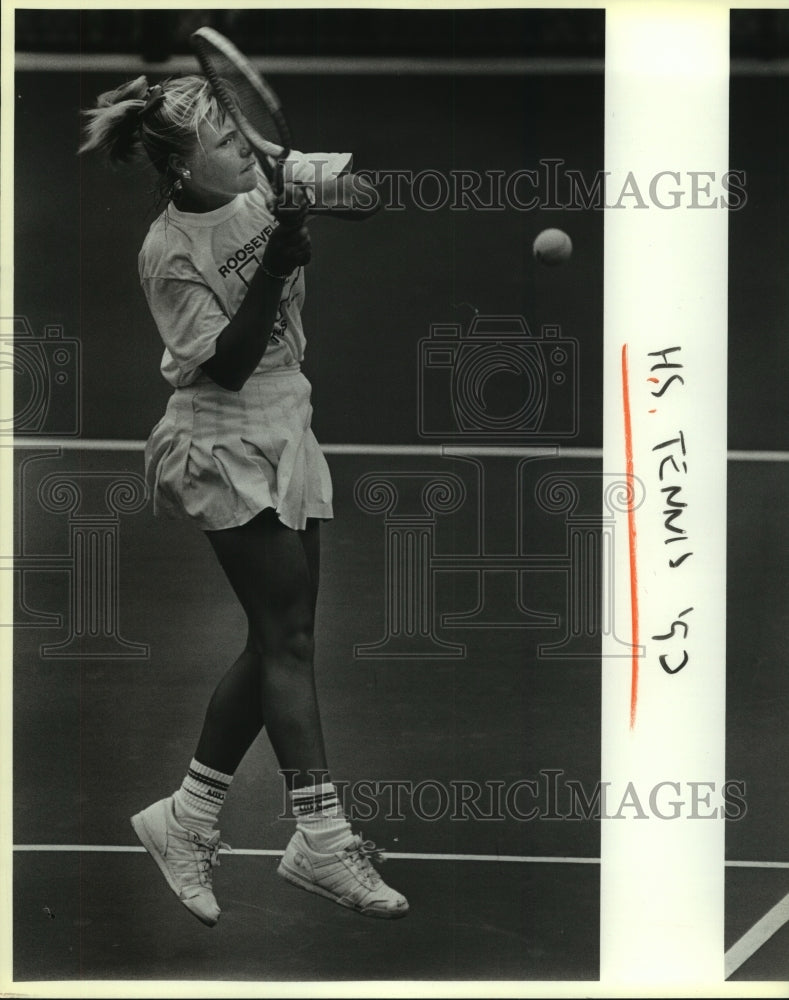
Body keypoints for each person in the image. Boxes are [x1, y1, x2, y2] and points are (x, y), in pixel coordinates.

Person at [79, 73, 408, 925]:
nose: (239, 147)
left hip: (287, 416)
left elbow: (369, 197)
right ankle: (322, 841)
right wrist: (278, 251)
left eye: (240, 136)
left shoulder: (260, 175)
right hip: (220, 436)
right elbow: (222, 363)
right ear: (184, 169)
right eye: (223, 143)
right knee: (287, 641)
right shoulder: (167, 250)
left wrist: (305, 190)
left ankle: (184, 819)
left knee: (280, 640)